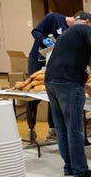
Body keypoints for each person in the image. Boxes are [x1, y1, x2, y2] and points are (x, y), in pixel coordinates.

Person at [44, 11, 91, 177]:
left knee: (62, 128)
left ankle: (69, 167)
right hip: (67, 85)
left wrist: (90, 88)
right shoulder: (84, 29)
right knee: (74, 128)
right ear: (88, 22)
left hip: (51, 84)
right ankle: (80, 171)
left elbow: (68, 70)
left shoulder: (65, 36)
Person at [27, 12, 74, 142]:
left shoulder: (72, 31)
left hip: (53, 61)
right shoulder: (53, 18)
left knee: (52, 93)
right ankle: (31, 128)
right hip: (37, 60)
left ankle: (52, 129)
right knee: (33, 95)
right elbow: (35, 31)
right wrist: (43, 40)